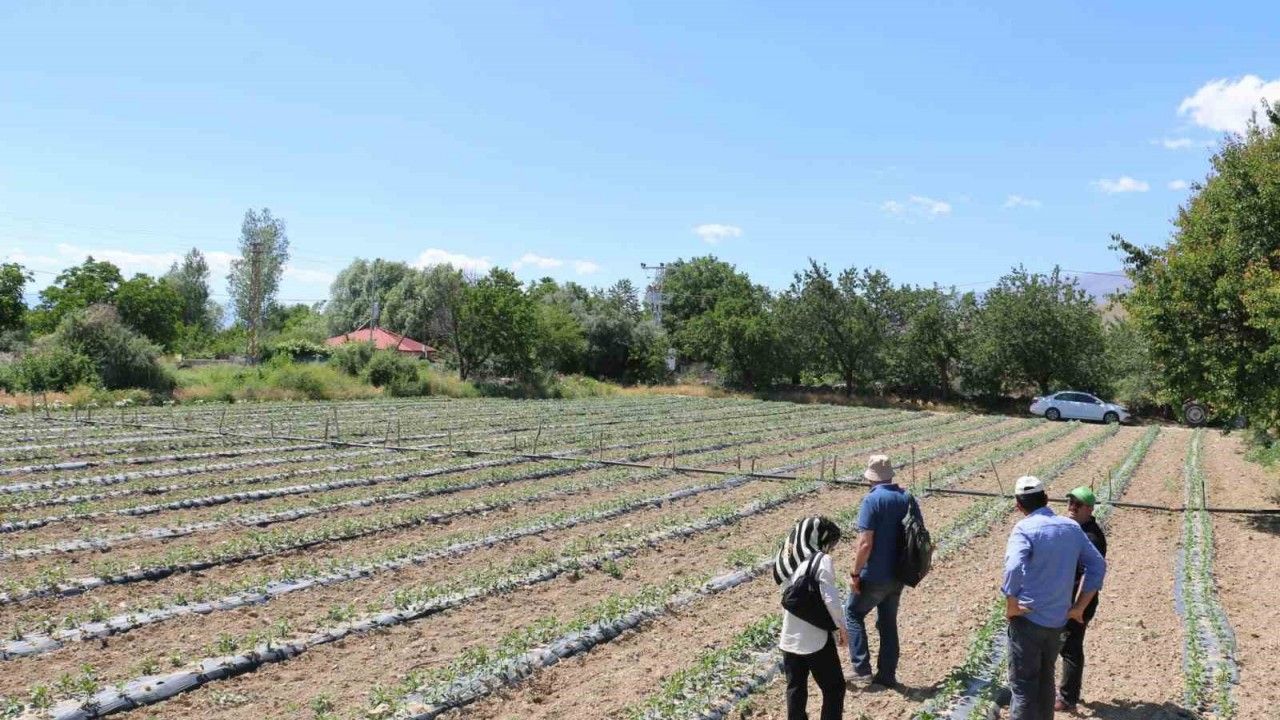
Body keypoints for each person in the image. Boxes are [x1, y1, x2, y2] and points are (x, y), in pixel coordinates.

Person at [1002, 476, 1107, 720]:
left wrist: (1011, 604)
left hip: (1028, 619)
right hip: (1058, 620)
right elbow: (1098, 566)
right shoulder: (1071, 528)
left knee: (1024, 685)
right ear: (1047, 499)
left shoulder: (1023, 529)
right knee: (1046, 679)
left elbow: (1014, 566)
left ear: (1018, 505)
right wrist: (1078, 607)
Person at [844, 454, 922, 688]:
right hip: (898, 574)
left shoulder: (872, 501)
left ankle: (861, 667)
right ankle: (887, 675)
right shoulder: (907, 497)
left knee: (853, 614)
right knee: (888, 622)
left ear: (871, 478)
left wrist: (855, 573)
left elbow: (865, 543)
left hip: (874, 574)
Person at [776, 516, 849, 720]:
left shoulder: (791, 563)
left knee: (796, 690)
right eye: (831, 543)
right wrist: (841, 628)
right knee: (834, 688)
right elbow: (830, 599)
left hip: (789, 638)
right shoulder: (821, 561)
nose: (831, 548)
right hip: (815, 639)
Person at [1057, 486, 1108, 712]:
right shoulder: (1078, 530)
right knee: (1065, 645)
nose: (1072, 508)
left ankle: (1068, 698)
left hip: (1078, 604)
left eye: (1077, 505)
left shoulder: (1091, 537)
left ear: (1089, 509)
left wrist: (1078, 608)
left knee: (1071, 647)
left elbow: (1091, 577)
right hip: (1068, 601)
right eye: (1070, 503)